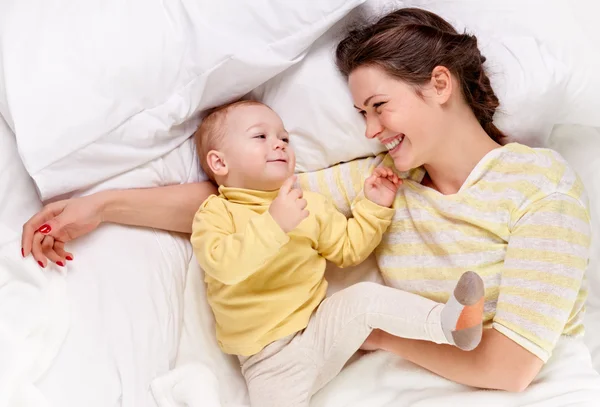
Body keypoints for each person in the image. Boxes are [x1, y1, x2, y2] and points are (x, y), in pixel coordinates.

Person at [21, 7, 591, 394]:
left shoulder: (539, 185)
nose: (370, 131)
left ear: (439, 85)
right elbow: (241, 205)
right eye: (361, 116)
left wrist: (376, 333)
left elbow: (512, 368)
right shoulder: (386, 179)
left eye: (378, 106)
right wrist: (102, 206)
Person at [190, 99, 484, 406]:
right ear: (220, 163)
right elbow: (223, 266)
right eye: (260, 136)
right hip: (267, 360)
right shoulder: (215, 214)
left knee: (365, 298)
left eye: (284, 138)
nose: (278, 144)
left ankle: (448, 323)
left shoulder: (310, 204)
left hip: (319, 328)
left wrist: (374, 206)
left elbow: (347, 250)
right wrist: (274, 223)